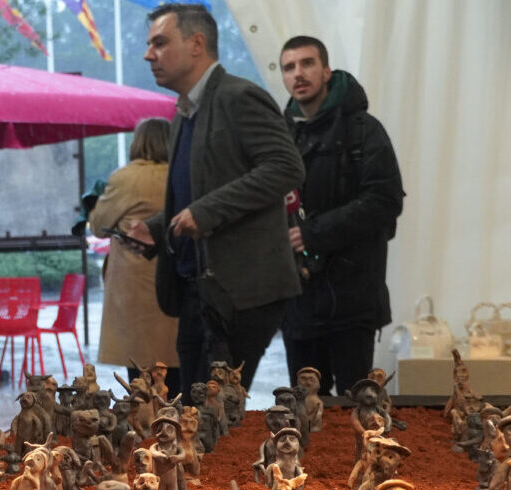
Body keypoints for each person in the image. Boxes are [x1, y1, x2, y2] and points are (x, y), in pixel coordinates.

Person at [128, 3, 304, 396]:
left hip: (239, 293)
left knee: (212, 421)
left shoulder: (240, 97)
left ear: (196, 44)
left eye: (159, 42)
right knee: (197, 415)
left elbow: (286, 167)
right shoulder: (185, 112)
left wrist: (206, 212)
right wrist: (157, 227)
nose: (148, 54)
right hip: (200, 290)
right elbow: (198, 191)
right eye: (148, 44)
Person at [277, 35, 405, 396]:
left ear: (327, 71)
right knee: (306, 410)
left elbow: (384, 200)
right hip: (298, 300)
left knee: (356, 410)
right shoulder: (280, 135)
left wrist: (313, 232)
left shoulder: (364, 130)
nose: (298, 73)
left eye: (307, 63)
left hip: (353, 298)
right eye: (289, 67)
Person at [89, 117, 180, 390]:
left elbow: (98, 225)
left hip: (133, 292)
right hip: (174, 283)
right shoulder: (179, 174)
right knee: (177, 373)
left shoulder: (125, 178)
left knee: (140, 378)